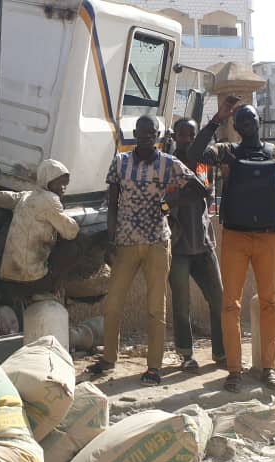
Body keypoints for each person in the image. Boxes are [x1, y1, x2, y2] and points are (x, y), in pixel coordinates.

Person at [195, 98, 275, 393]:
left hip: (267, 239)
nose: (246, 124)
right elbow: (193, 153)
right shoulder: (226, 152)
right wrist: (214, 120)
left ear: (258, 121)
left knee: (269, 303)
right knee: (229, 306)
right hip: (235, 237)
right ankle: (234, 370)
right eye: (240, 121)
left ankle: (267, 368)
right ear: (235, 126)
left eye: (250, 119)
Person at [87, 115, 204, 387]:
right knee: (113, 303)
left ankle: (154, 367)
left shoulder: (168, 163)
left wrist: (170, 203)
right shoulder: (120, 162)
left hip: (156, 243)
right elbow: (113, 203)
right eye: (141, 132)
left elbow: (199, 189)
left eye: (151, 132)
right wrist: (111, 237)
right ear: (135, 133)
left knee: (156, 307)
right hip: (126, 243)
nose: (146, 136)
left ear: (158, 135)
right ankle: (108, 359)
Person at [164, 117, 225, 371]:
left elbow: (205, 192)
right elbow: (168, 201)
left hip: (203, 243)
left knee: (219, 299)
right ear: (175, 137)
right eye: (183, 135)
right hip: (178, 246)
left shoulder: (202, 163)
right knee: (181, 304)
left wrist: (185, 194)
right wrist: (186, 194)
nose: (187, 139)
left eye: (192, 135)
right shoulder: (166, 165)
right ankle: (186, 354)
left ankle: (222, 353)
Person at [0, 159, 80, 311]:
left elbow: (3, 197)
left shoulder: (26, 196)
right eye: (59, 183)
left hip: (7, 275)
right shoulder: (50, 200)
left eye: (65, 184)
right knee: (73, 247)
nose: (63, 188)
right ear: (47, 181)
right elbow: (71, 232)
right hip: (31, 280)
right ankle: (52, 288)